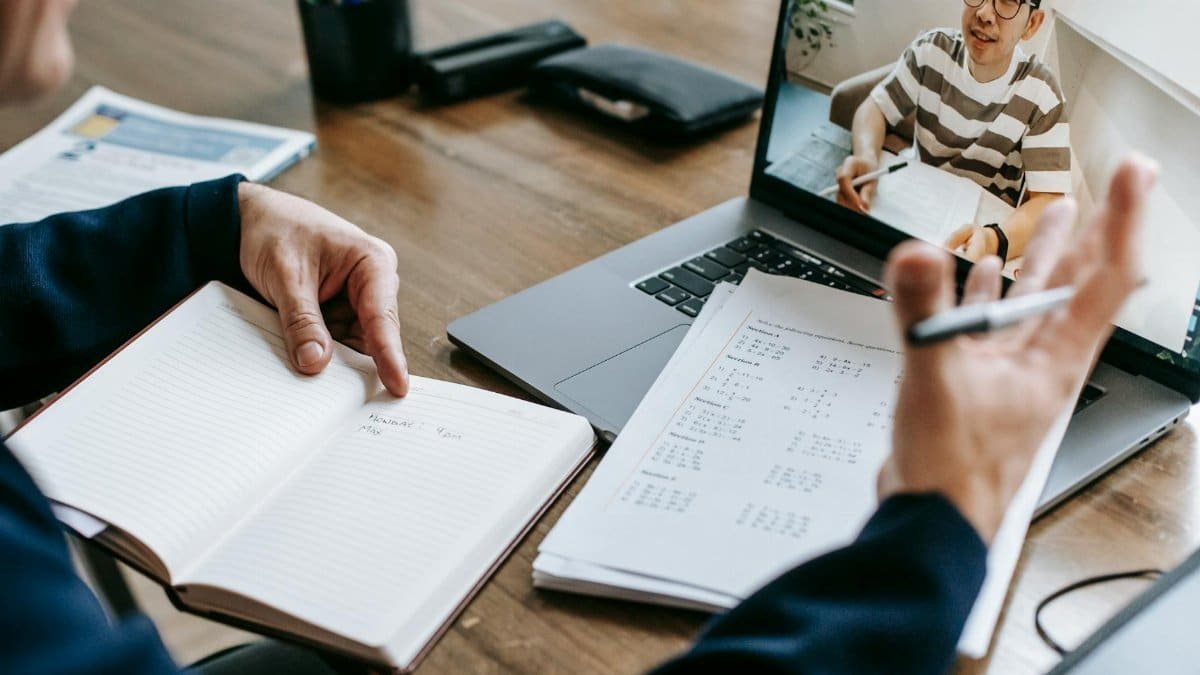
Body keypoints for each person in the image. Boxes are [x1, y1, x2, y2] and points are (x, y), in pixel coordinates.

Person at [0, 1, 1153, 674]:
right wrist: (936, 535)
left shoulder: (1038, 106)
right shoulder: (939, 53)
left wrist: (211, 221)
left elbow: (1045, 202)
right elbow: (884, 105)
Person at [837, 0, 1070, 265]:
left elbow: (1049, 204)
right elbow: (875, 107)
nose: (983, 13)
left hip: (978, 237)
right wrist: (866, 157)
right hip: (914, 210)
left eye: (1006, 1)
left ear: (1032, 23)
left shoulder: (1043, 93)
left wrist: (993, 240)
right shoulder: (932, 50)